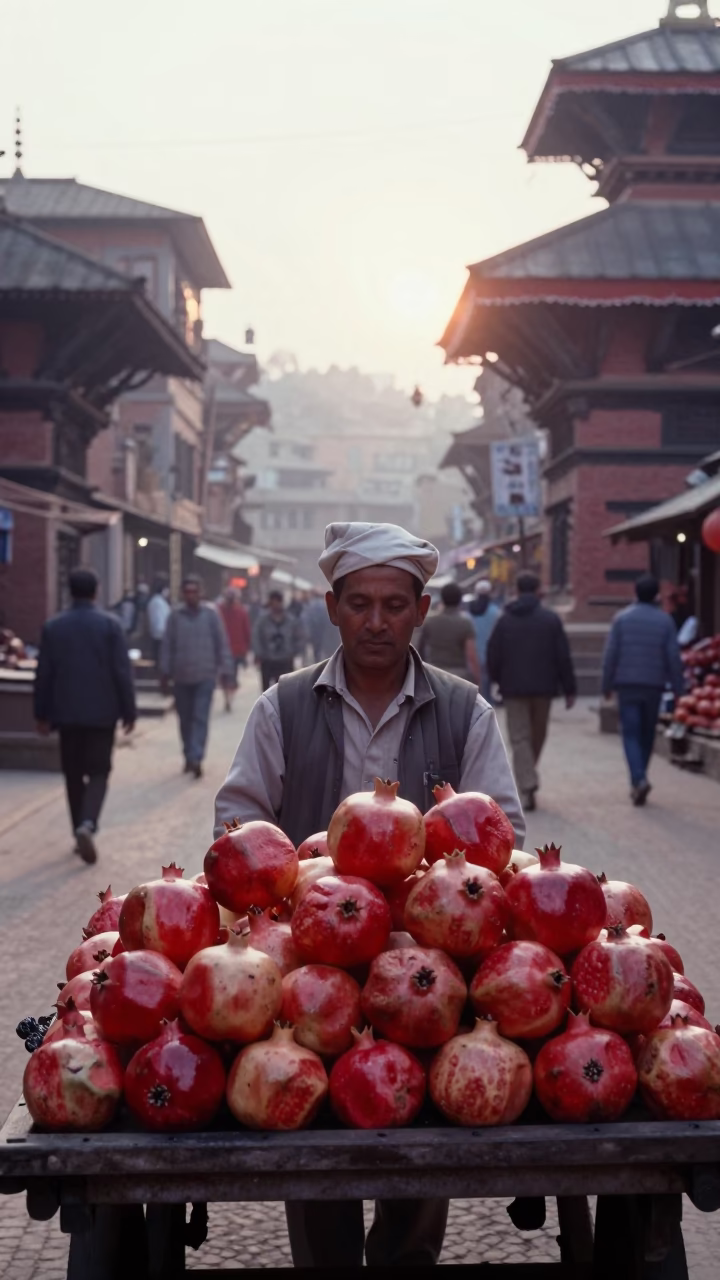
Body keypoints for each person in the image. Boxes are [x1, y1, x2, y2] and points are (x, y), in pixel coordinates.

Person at [215, 520, 523, 1270]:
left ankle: (406, 1257)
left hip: (430, 964)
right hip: (304, 961)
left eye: (394, 604)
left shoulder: (463, 710)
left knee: (419, 1117)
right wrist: (288, 883)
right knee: (309, 1124)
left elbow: (506, 832)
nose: (377, 621)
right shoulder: (282, 707)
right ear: (331, 606)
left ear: (421, 610)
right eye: (360, 603)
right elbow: (236, 819)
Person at [34, 567, 136, 864]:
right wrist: (129, 710)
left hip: (66, 713)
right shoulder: (110, 625)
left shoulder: (54, 627)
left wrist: (41, 712)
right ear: (96, 591)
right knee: (100, 771)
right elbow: (122, 672)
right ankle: (88, 823)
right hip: (103, 713)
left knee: (73, 773)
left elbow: (44, 673)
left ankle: (78, 827)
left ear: (70, 591)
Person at [486, 571, 576, 812]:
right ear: (538, 591)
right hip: (544, 688)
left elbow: (493, 654)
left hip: (514, 688)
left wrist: (496, 679)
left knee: (520, 738)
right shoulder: (550, 619)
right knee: (537, 736)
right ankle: (528, 783)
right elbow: (563, 656)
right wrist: (569, 688)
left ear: (516, 590)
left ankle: (527, 779)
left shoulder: (505, 620)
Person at [602, 574, 684, 806]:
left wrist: (606, 685)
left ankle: (638, 778)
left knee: (630, 733)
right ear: (656, 595)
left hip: (626, 685)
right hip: (654, 685)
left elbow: (611, 656)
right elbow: (673, 658)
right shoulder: (665, 621)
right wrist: (679, 689)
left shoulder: (621, 619)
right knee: (647, 733)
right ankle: (641, 777)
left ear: (635, 593)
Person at [159, 576, 233, 779]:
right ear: (183, 594)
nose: (191, 595)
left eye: (195, 591)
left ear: (200, 593)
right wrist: (164, 672)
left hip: (205, 676)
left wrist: (226, 671)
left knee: (200, 718)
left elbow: (222, 644)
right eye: (188, 591)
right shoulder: (175, 616)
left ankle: (196, 757)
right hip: (181, 677)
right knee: (185, 720)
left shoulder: (211, 615)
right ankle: (188, 754)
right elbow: (167, 645)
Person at [417, 581, 480, 682]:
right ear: (459, 600)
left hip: (434, 675)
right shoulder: (465, 623)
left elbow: (420, 650)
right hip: (459, 678)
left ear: (442, 599)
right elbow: (471, 655)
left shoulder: (430, 621)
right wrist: (477, 679)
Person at [252, 590, 304, 691]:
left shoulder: (291, 620)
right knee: (266, 690)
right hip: (267, 660)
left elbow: (299, 636)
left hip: (285, 660)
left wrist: (295, 651)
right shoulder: (262, 621)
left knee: (285, 689)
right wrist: (259, 653)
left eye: (277, 602)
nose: (275, 606)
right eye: (273, 603)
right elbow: (256, 637)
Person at [218, 587, 252, 710]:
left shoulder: (241, 612)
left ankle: (229, 698)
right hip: (227, 649)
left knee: (230, 676)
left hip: (236, 649)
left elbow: (246, 631)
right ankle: (228, 698)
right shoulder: (219, 611)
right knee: (227, 676)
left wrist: (247, 648)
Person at [468, 579, 501, 703]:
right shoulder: (495, 612)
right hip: (489, 653)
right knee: (486, 682)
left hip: (472, 652)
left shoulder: (468, 612)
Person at [302, 588, 339, 662]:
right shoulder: (326, 605)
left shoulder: (310, 606)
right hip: (326, 634)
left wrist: (307, 634)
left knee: (316, 651)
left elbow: (305, 619)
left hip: (314, 634)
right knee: (327, 652)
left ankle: (317, 662)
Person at [146, 579, 171, 665]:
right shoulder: (157, 602)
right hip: (160, 634)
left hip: (160, 634)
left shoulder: (159, 601)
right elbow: (159, 619)